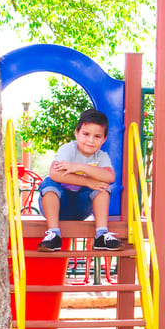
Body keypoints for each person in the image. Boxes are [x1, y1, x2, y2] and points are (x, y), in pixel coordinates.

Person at [37, 108, 122, 251]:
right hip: (57, 205)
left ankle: (101, 235)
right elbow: (55, 174)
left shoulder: (101, 157)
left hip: (80, 209)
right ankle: (53, 234)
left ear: (104, 139)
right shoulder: (68, 149)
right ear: (76, 133)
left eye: (97, 136)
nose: (90, 140)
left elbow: (110, 177)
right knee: (48, 182)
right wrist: (87, 181)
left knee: (102, 186)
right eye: (86, 134)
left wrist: (79, 167)